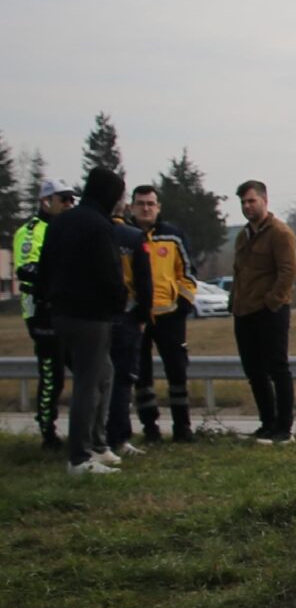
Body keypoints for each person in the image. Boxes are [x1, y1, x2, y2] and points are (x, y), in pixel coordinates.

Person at [35, 169, 132, 474]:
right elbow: (109, 272)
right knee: (89, 385)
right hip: (91, 316)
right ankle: (79, 457)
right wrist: (119, 303)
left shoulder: (61, 222)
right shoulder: (99, 226)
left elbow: (44, 267)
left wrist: (48, 298)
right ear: (110, 194)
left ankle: (99, 444)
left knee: (104, 373)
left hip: (62, 313)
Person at [127, 185, 198, 442]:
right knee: (141, 375)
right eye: (141, 203)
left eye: (150, 203)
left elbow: (188, 273)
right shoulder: (125, 235)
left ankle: (183, 427)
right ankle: (150, 429)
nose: (146, 208)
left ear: (158, 207)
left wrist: (183, 304)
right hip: (136, 317)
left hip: (170, 315)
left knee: (177, 372)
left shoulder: (173, 236)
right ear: (132, 206)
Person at [231, 180, 296, 443]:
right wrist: (234, 303)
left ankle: (284, 428)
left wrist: (272, 302)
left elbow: (289, 271)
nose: (247, 206)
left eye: (252, 201)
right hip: (244, 310)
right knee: (254, 371)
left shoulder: (280, 233)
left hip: (270, 311)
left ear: (264, 200)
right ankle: (267, 423)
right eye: (243, 202)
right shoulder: (243, 236)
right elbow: (239, 272)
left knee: (277, 368)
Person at [12, 178, 77, 449]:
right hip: (41, 313)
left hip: (69, 311)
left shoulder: (68, 229)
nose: (68, 204)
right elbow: (27, 270)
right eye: (63, 199)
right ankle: (47, 432)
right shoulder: (31, 230)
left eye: (71, 200)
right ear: (46, 201)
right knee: (52, 373)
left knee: (89, 368)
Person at [104, 206, 150, 458]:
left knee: (94, 381)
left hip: (94, 318)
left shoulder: (90, 233)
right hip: (126, 317)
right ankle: (119, 437)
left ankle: (93, 437)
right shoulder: (132, 236)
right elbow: (145, 280)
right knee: (123, 380)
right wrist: (143, 316)